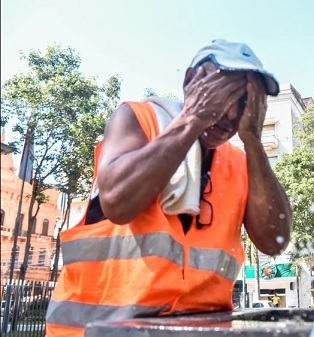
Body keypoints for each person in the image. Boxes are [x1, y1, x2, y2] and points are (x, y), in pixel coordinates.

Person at [45, 39, 293, 337]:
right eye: (222, 95)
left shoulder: (241, 163)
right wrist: (192, 120)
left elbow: (274, 242)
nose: (230, 116)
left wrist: (252, 139)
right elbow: (118, 204)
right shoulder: (138, 120)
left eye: (243, 103)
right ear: (191, 81)